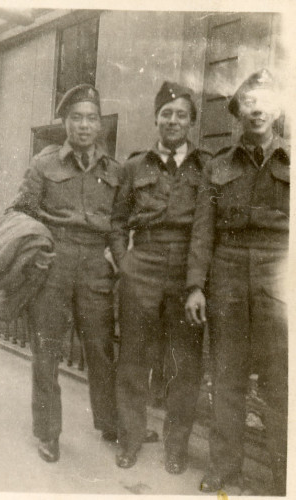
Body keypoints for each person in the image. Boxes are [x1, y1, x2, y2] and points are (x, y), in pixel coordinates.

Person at [185, 69, 289, 495]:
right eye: (248, 102)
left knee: (282, 382)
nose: (257, 109)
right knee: (226, 379)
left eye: (265, 100)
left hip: (278, 278)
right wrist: (195, 285)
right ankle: (225, 471)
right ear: (237, 112)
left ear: (279, 109)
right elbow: (202, 230)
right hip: (226, 278)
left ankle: (285, 477)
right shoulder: (218, 165)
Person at [9, 84, 120, 462]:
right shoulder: (45, 162)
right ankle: (48, 432)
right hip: (54, 262)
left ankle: (109, 422)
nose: (84, 126)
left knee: (102, 350)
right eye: (76, 118)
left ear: (100, 124)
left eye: (91, 118)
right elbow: (22, 211)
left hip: (95, 265)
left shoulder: (115, 171)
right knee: (47, 350)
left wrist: (114, 256)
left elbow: (122, 222)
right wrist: (36, 251)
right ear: (65, 122)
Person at [110, 81, 211, 470]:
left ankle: (175, 447)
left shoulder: (205, 168)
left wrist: (196, 283)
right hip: (144, 264)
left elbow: (206, 230)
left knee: (184, 364)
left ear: (191, 122)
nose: (173, 120)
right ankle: (130, 439)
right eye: (166, 114)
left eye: (181, 114)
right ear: (156, 119)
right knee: (133, 357)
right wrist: (126, 264)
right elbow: (117, 222)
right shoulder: (135, 166)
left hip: (187, 266)